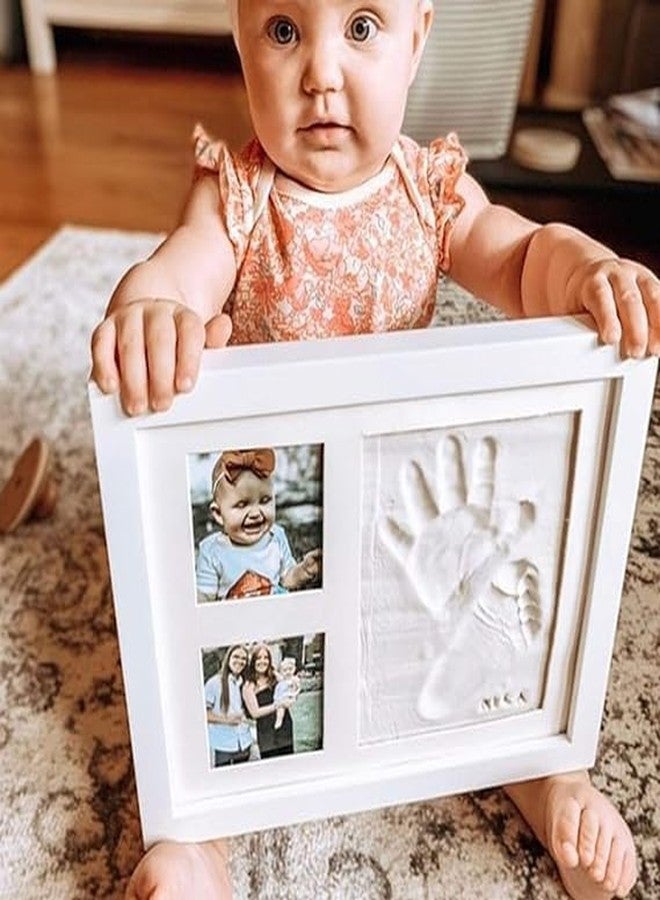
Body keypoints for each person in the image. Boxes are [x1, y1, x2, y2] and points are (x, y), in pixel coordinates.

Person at [94, 1, 658, 897]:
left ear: (417, 38)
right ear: (240, 39)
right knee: (227, 663)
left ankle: (548, 775)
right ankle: (203, 841)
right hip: (274, 516)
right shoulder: (236, 199)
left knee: (495, 621)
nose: (321, 72)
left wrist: (583, 267)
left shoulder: (430, 191)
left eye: (361, 28)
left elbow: (519, 260)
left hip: (404, 507)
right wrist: (152, 309)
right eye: (284, 31)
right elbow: (182, 267)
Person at [196, 448, 321, 601]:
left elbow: (287, 579)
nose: (255, 513)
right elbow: (204, 599)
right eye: (242, 505)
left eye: (264, 501)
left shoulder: (276, 536)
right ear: (218, 514)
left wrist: (304, 570)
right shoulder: (212, 551)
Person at [242, 644, 295, 759]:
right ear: (253, 661)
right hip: (266, 732)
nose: (263, 661)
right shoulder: (249, 685)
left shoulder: (274, 676)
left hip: (284, 726)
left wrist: (291, 696)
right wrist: (278, 705)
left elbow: (287, 689)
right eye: (259, 658)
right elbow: (255, 713)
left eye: (266, 657)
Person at [204, 645, 253, 767]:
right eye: (236, 656)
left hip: (244, 743)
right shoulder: (214, 683)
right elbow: (204, 714)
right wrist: (227, 720)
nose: (240, 661)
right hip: (223, 745)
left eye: (243, 658)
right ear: (228, 658)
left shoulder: (246, 683)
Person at [272, 656, 301, 730]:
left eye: (290, 669)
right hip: (280, 695)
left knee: (281, 708)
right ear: (281, 672)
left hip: (287, 695)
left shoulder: (294, 679)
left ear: (294, 669)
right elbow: (277, 676)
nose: (288, 672)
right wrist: (274, 671)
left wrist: (294, 689)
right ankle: (279, 718)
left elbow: (297, 687)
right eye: (285, 670)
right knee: (279, 707)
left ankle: (279, 720)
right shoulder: (283, 679)